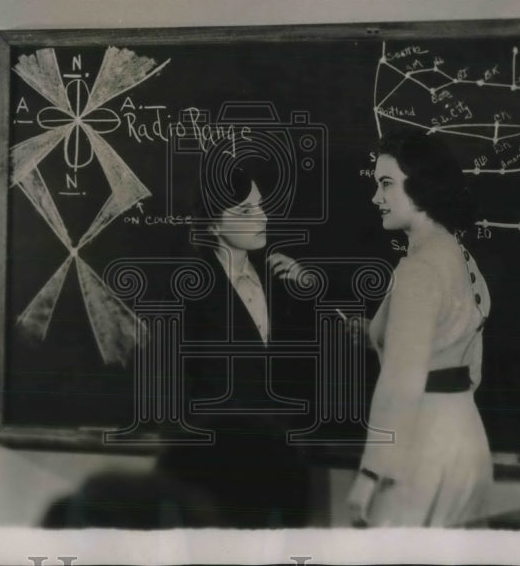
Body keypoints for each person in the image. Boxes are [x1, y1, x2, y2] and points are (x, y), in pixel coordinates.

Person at [155, 162, 314, 527]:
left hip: (278, 466)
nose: (261, 217)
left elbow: (291, 370)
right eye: (245, 210)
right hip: (212, 474)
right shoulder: (187, 285)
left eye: (260, 205)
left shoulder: (276, 279)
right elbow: (168, 387)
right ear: (212, 223)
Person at [347, 130, 493, 527]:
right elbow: (464, 356)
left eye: (387, 184)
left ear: (424, 186)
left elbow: (402, 377)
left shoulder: (418, 270)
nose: (376, 198)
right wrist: (375, 333)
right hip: (465, 435)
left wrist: (369, 474)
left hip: (420, 444)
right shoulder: (458, 256)